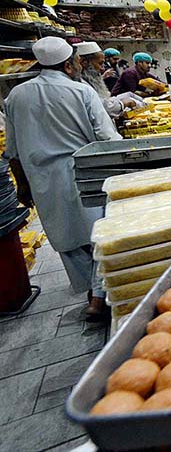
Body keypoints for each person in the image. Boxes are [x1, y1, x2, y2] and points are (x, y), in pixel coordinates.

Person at [4, 37, 121, 320]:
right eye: (78, 62)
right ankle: (99, 297)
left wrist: (22, 186)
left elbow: (13, 150)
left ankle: (93, 295)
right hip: (84, 173)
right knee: (99, 236)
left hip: (42, 178)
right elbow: (107, 138)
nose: (80, 66)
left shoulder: (15, 97)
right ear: (68, 65)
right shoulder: (81, 92)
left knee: (66, 238)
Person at [76, 41, 144, 119]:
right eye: (100, 64)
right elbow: (103, 107)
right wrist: (123, 103)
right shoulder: (81, 85)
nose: (102, 68)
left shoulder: (91, 79)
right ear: (84, 62)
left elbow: (105, 100)